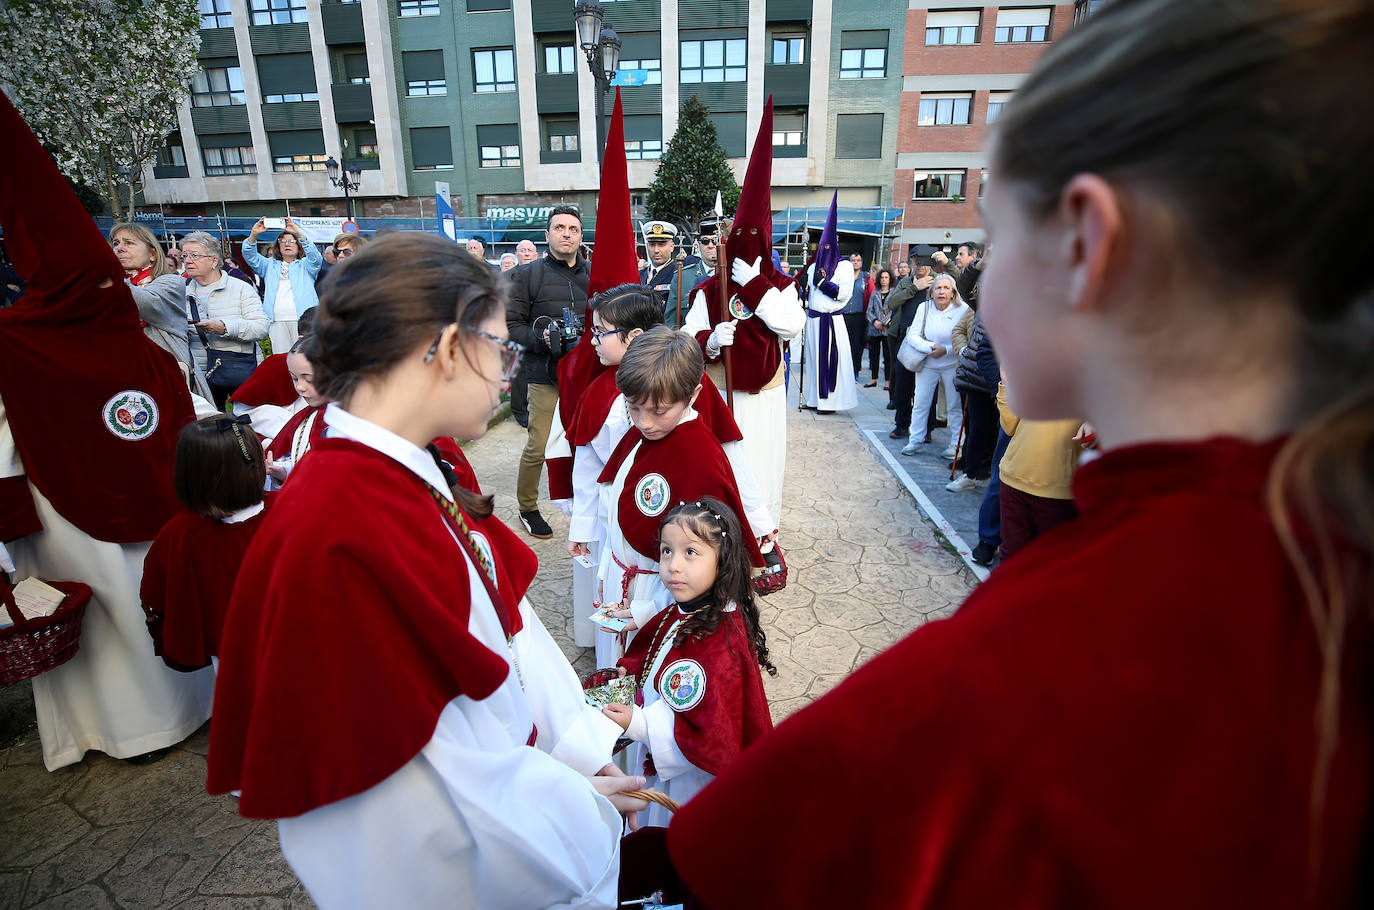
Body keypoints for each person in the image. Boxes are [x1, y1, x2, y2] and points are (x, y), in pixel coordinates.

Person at [665, 1, 1374, 905]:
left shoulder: (1016, 675)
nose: (982, 279)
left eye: (997, 238)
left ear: (1085, 244)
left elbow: (736, 858)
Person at [206, 232, 647, 908]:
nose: (508, 369)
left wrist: (569, 757)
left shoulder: (400, 467)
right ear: (444, 349)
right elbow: (412, 798)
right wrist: (573, 800)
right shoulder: (342, 526)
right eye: (501, 347)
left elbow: (504, 638)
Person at [0, 89, 215, 771]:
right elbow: (181, 400)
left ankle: (119, 733)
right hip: (142, 501)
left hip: (67, 516)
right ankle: (188, 704)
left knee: (106, 626)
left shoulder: (16, 341)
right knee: (146, 602)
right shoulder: (123, 332)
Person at [593, 327, 765, 663]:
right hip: (625, 587)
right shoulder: (642, 434)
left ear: (694, 393)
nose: (645, 422)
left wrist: (646, 610)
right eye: (634, 407)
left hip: (660, 598)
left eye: (658, 411)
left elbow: (705, 568)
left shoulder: (700, 459)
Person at [603, 498, 776, 830]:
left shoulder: (719, 643)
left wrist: (639, 723)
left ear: (722, 561)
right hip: (662, 764)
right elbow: (654, 647)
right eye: (667, 551)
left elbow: (711, 733)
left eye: (690, 552)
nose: (673, 566)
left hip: (688, 783)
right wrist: (631, 671)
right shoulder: (688, 610)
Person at [682, 99, 805, 524]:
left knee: (761, 468)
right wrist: (711, 340)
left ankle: (761, 535)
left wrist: (756, 285)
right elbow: (686, 339)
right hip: (720, 395)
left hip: (764, 398)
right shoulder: (709, 288)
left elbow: (791, 325)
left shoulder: (781, 285)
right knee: (722, 470)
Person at [140, 414, 271, 674]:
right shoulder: (291, 509)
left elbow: (156, 592)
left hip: (228, 651)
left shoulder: (180, 533)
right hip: (295, 638)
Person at [506, 204, 590, 539]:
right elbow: (511, 325)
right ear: (547, 235)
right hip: (544, 375)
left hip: (585, 376)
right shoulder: (527, 276)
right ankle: (528, 507)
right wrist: (540, 338)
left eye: (572, 229)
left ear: (581, 236)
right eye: (559, 228)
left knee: (587, 443)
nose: (566, 234)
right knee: (539, 444)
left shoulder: (593, 273)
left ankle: (583, 500)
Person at [994, 381, 1082, 560]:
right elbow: (1010, 426)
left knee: (1049, 562)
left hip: (1057, 488)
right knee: (1011, 558)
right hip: (1013, 478)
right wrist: (1006, 385)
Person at [182, 230, 267, 407]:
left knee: (249, 420)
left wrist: (224, 328)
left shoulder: (241, 288)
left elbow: (261, 327)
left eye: (195, 255)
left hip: (239, 366)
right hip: (200, 371)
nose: (188, 261)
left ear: (214, 261)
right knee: (210, 425)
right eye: (185, 255)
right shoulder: (180, 291)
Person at [110, 222, 198, 384]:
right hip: (123, 371)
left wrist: (109, 275)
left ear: (153, 254)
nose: (119, 248)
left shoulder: (171, 282)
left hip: (164, 374)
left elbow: (146, 303)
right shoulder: (111, 286)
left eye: (129, 243)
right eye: (116, 243)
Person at [900, 274, 969, 457]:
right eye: (938, 288)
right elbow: (913, 335)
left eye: (946, 288)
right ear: (932, 291)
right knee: (921, 403)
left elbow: (966, 339)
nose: (942, 292)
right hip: (927, 363)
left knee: (954, 406)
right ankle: (915, 440)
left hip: (952, 365)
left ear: (953, 292)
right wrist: (930, 347)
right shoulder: (924, 307)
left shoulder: (963, 309)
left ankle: (956, 445)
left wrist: (945, 350)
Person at [799, 195, 857, 413]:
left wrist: (823, 283)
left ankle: (830, 402)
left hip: (831, 322)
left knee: (831, 362)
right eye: (822, 246)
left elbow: (843, 294)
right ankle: (814, 399)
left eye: (828, 245)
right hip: (813, 321)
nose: (825, 249)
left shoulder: (845, 267)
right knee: (814, 362)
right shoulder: (813, 267)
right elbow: (808, 293)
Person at [240, 216, 322, 355]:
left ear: (299, 245)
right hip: (277, 320)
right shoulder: (268, 265)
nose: (287, 244)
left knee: (307, 356)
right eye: (283, 241)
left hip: (303, 320)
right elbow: (250, 255)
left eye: (292, 241)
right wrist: (254, 234)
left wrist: (298, 233)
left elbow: (316, 258)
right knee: (282, 358)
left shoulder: (305, 265)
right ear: (278, 246)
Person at [263, 336, 329, 489]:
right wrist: (283, 473)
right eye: (294, 378)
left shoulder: (355, 421)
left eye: (309, 380)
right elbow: (301, 462)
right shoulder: (307, 417)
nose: (300, 387)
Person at [664, 221, 718, 329]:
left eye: (716, 241)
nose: (711, 246)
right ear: (699, 244)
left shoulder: (734, 276)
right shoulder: (683, 278)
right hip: (691, 343)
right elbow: (671, 322)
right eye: (705, 241)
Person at [638, 220, 680, 309]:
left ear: (672, 247)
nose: (656, 250)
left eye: (661, 245)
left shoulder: (678, 275)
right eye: (652, 245)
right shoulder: (639, 274)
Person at [843, 252, 871, 380]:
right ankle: (842, 371)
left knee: (857, 346)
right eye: (853, 260)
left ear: (861, 262)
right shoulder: (843, 277)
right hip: (844, 315)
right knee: (843, 345)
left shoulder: (866, 278)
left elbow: (871, 297)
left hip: (859, 317)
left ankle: (855, 371)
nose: (855, 262)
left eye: (858, 260)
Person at [865, 267, 894, 390]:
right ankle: (874, 378)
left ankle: (888, 380)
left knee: (888, 356)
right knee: (874, 355)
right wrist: (875, 321)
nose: (884, 280)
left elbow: (893, 310)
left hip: (887, 329)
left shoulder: (894, 293)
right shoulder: (874, 293)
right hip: (874, 329)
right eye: (882, 277)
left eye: (886, 277)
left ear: (890, 279)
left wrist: (883, 322)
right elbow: (869, 311)